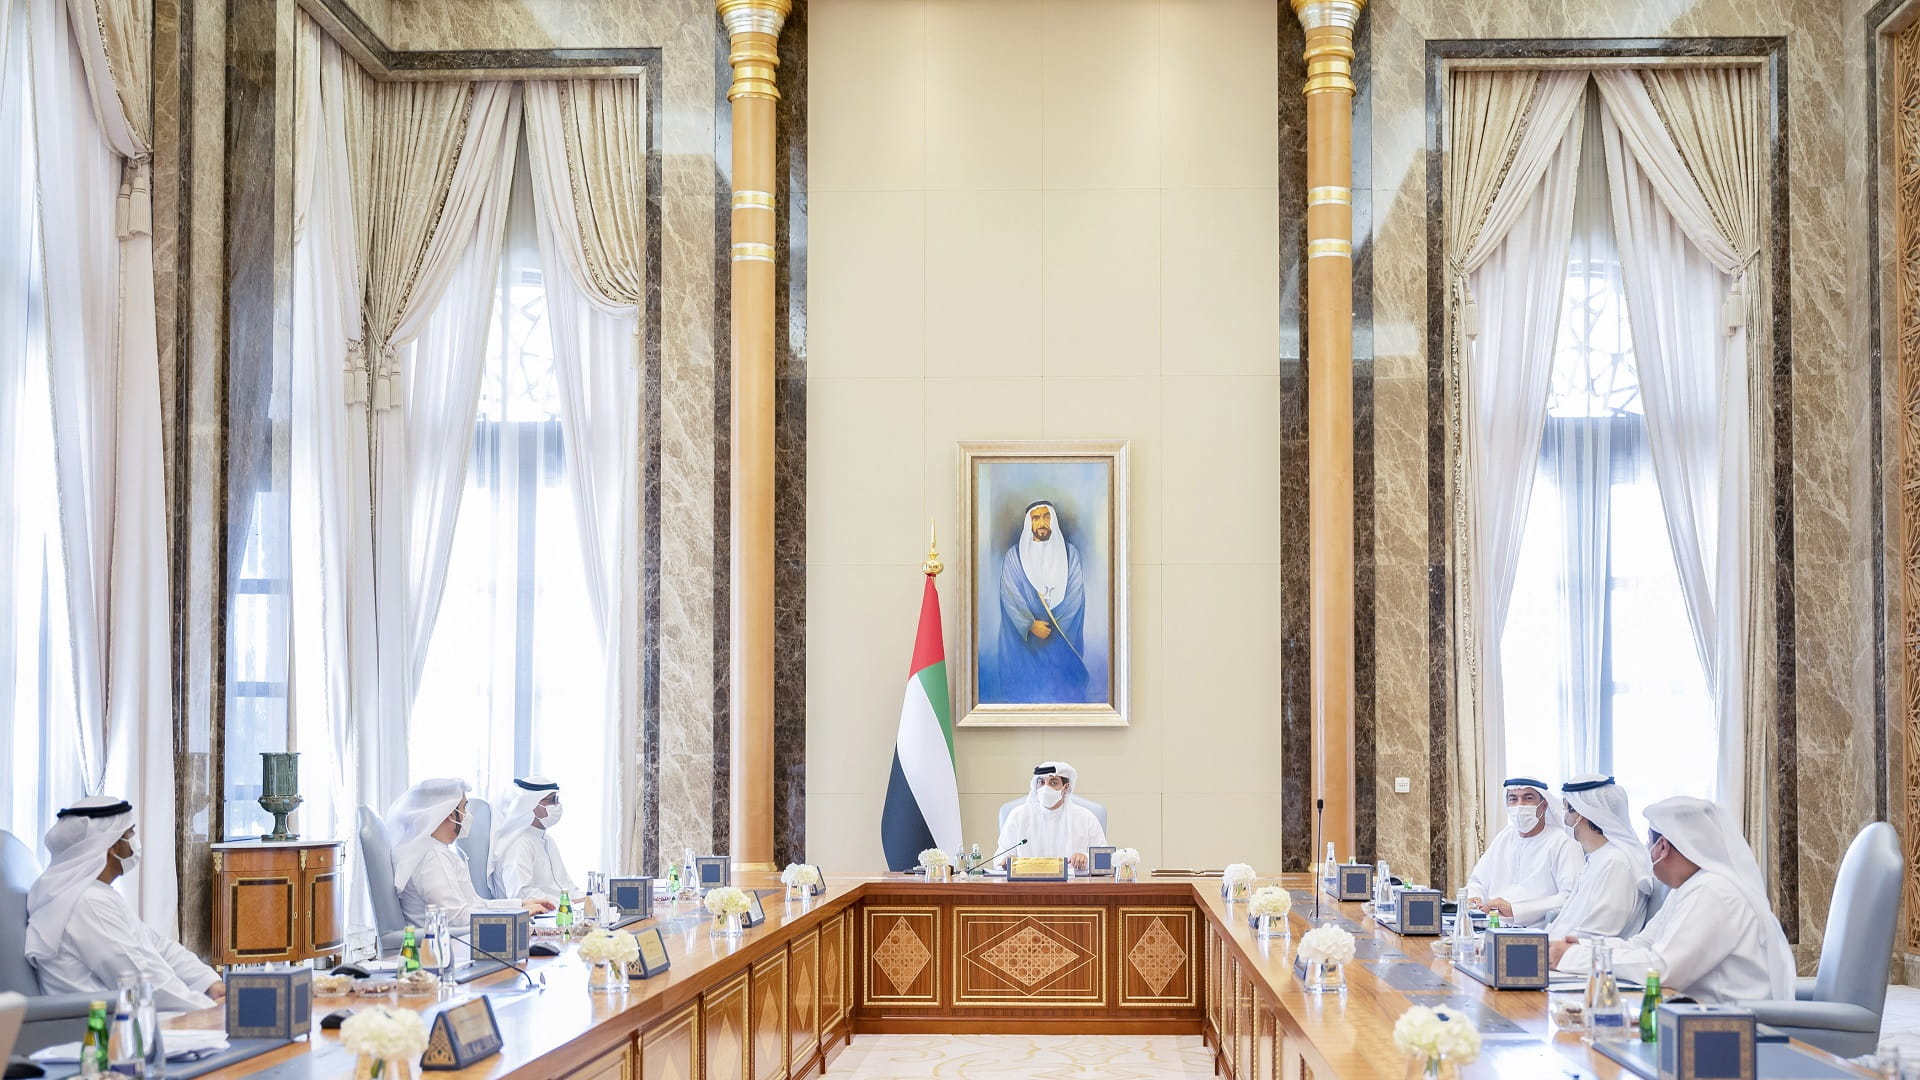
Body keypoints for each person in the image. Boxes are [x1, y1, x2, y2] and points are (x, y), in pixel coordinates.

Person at [1549, 796, 1795, 1004]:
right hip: (1690, 1014)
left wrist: (1572, 957)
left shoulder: (1713, 890)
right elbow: (1643, 944)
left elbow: (1663, 969)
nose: (1647, 849)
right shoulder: (1688, 887)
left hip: (1729, 1025)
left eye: (1649, 840)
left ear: (1663, 846)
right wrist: (1584, 947)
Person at [25, 797, 224, 1012]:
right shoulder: (86, 903)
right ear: (112, 846)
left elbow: (157, 946)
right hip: (102, 1025)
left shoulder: (97, 893)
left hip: (133, 1013)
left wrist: (209, 983)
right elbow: (138, 979)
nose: (135, 841)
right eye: (130, 834)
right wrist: (207, 1008)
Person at [387, 778, 552, 930]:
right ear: (450, 814)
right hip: (448, 945)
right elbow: (456, 918)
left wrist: (520, 905)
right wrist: (517, 916)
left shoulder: (438, 851)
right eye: (464, 807)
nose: (468, 814)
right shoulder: (432, 856)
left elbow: (474, 905)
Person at [989, 501, 1093, 704]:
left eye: (1046, 517)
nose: (1042, 522)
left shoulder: (1071, 554)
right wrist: (1029, 624)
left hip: (1061, 641)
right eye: (1036, 518)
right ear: (1029, 524)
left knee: (1064, 694)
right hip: (1026, 646)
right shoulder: (1014, 557)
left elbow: (1075, 596)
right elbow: (1010, 596)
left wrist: (1056, 631)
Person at [1544, 774, 1655, 940]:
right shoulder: (1598, 857)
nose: (1564, 818)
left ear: (1580, 813)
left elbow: (1596, 933)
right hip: (1559, 948)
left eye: (1567, 809)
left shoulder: (1615, 863)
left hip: (1579, 953)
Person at [1464, 776, 1584, 926]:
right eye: (1513, 799)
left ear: (1543, 805)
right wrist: (1475, 897)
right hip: (1491, 927)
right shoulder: (1505, 837)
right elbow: (1477, 881)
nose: (1519, 805)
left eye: (1528, 798)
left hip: (1539, 931)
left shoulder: (1562, 841)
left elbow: (1571, 896)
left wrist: (1516, 910)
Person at [995, 762, 1107, 871]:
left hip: (1072, 883)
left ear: (1066, 787)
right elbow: (998, 858)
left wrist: (1086, 859)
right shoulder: (1018, 816)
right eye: (1041, 782)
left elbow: (1106, 860)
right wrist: (1005, 861)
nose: (1046, 788)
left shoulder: (1085, 818)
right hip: (1027, 882)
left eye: (1053, 783)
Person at [489, 776, 577, 904]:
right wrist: (564, 905)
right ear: (532, 804)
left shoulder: (548, 840)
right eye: (552, 800)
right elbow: (521, 894)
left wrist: (589, 900)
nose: (557, 805)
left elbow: (567, 886)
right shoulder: (518, 844)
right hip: (541, 914)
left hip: (561, 911)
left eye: (557, 799)